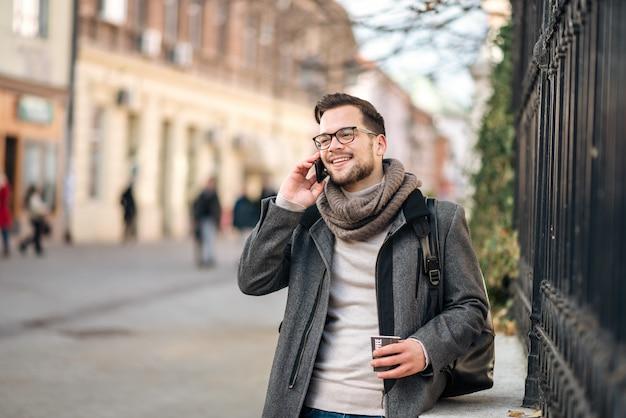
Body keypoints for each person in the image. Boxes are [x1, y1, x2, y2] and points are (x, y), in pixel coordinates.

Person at [238, 93, 489, 417]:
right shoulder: (309, 221)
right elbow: (252, 279)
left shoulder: (436, 220)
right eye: (324, 138)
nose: (333, 145)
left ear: (379, 144)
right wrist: (286, 206)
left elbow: (471, 306)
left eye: (347, 134)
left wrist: (425, 347)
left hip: (392, 408)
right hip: (305, 406)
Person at [192, 177, 221, 267]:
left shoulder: (214, 195)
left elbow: (217, 209)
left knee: (210, 240)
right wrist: (196, 218)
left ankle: (210, 258)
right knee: (204, 240)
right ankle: (205, 258)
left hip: (211, 220)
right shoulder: (202, 194)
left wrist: (217, 220)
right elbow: (197, 207)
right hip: (203, 220)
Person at [19, 184, 48, 256]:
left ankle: (29, 246)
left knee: (37, 234)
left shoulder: (33, 197)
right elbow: (36, 208)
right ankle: (30, 246)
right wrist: (43, 211)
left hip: (35, 218)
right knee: (37, 234)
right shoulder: (34, 198)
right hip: (36, 218)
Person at [0, 173, 12, 257]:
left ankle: (6, 248)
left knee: (5, 231)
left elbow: (4, 198)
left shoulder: (4, 188)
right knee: (5, 231)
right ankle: (6, 248)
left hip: (3, 213)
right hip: (3, 212)